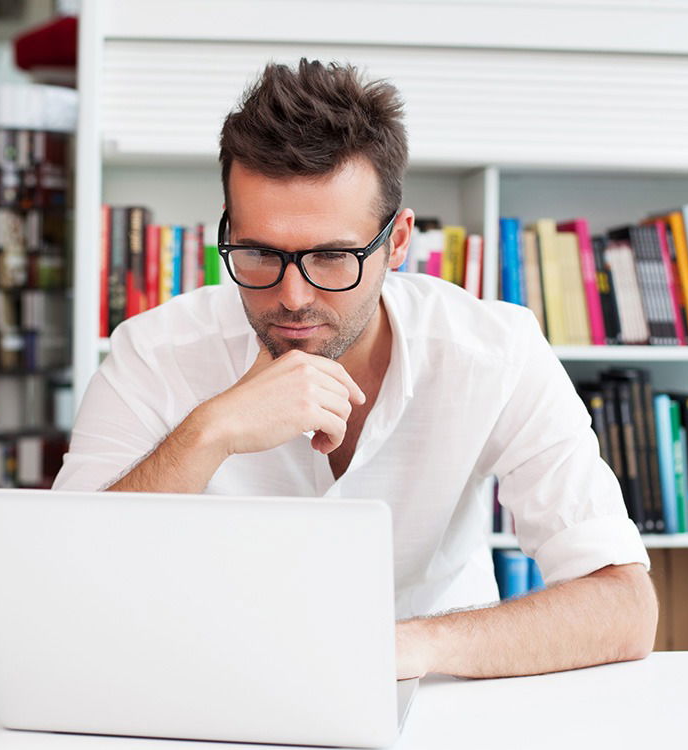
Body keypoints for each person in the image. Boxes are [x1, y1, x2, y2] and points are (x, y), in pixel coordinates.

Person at [53, 59, 657, 679]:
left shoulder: (494, 352)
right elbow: (59, 584)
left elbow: (623, 605)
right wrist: (209, 433)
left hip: (437, 699)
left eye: (333, 256)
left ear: (397, 242)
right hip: (208, 692)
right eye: (260, 253)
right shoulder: (154, 353)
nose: (291, 296)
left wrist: (405, 648)